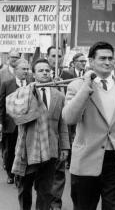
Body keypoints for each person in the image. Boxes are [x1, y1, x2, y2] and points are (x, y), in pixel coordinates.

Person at [63, 41, 115, 210]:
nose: (108, 62)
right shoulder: (76, 86)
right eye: (102, 58)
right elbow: (69, 118)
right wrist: (86, 88)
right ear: (91, 61)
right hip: (86, 159)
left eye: (110, 58)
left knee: (114, 207)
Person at [12, 58, 70, 210]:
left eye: (47, 70)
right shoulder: (24, 93)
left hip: (50, 150)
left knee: (45, 190)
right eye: (40, 70)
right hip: (28, 148)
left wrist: (64, 147)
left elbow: (62, 124)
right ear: (33, 73)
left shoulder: (59, 96)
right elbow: (16, 115)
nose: (45, 73)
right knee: (25, 187)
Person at [0, 59, 30, 184]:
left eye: (27, 69)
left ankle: (21, 175)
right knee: (10, 151)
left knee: (24, 151)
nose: (26, 71)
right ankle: (10, 173)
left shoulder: (32, 84)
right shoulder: (7, 84)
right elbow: (0, 105)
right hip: (11, 125)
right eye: (23, 69)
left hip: (27, 124)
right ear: (15, 70)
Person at [46, 45, 71, 210]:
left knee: (59, 169)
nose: (57, 59)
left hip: (64, 125)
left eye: (59, 56)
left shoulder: (68, 76)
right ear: (47, 57)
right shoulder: (41, 74)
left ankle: (55, 201)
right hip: (44, 130)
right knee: (43, 172)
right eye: (53, 56)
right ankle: (44, 197)